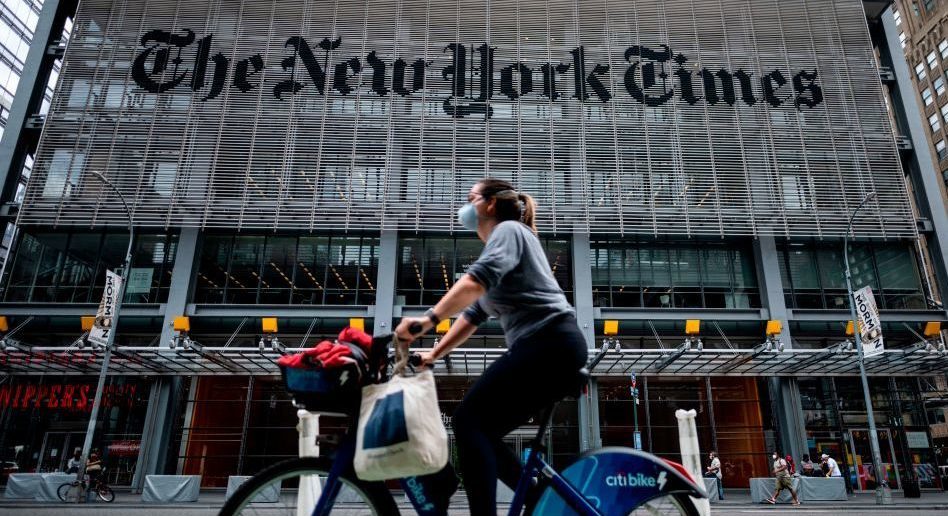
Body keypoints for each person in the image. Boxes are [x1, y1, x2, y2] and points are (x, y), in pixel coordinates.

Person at [396, 178, 586, 515]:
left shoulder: (509, 231)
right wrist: (433, 355)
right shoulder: (506, 243)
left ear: (490, 204)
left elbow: (474, 283)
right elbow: (472, 315)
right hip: (548, 346)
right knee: (483, 431)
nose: (465, 207)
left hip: (548, 343)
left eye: (470, 198)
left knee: (469, 421)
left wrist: (426, 320)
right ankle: (540, 499)